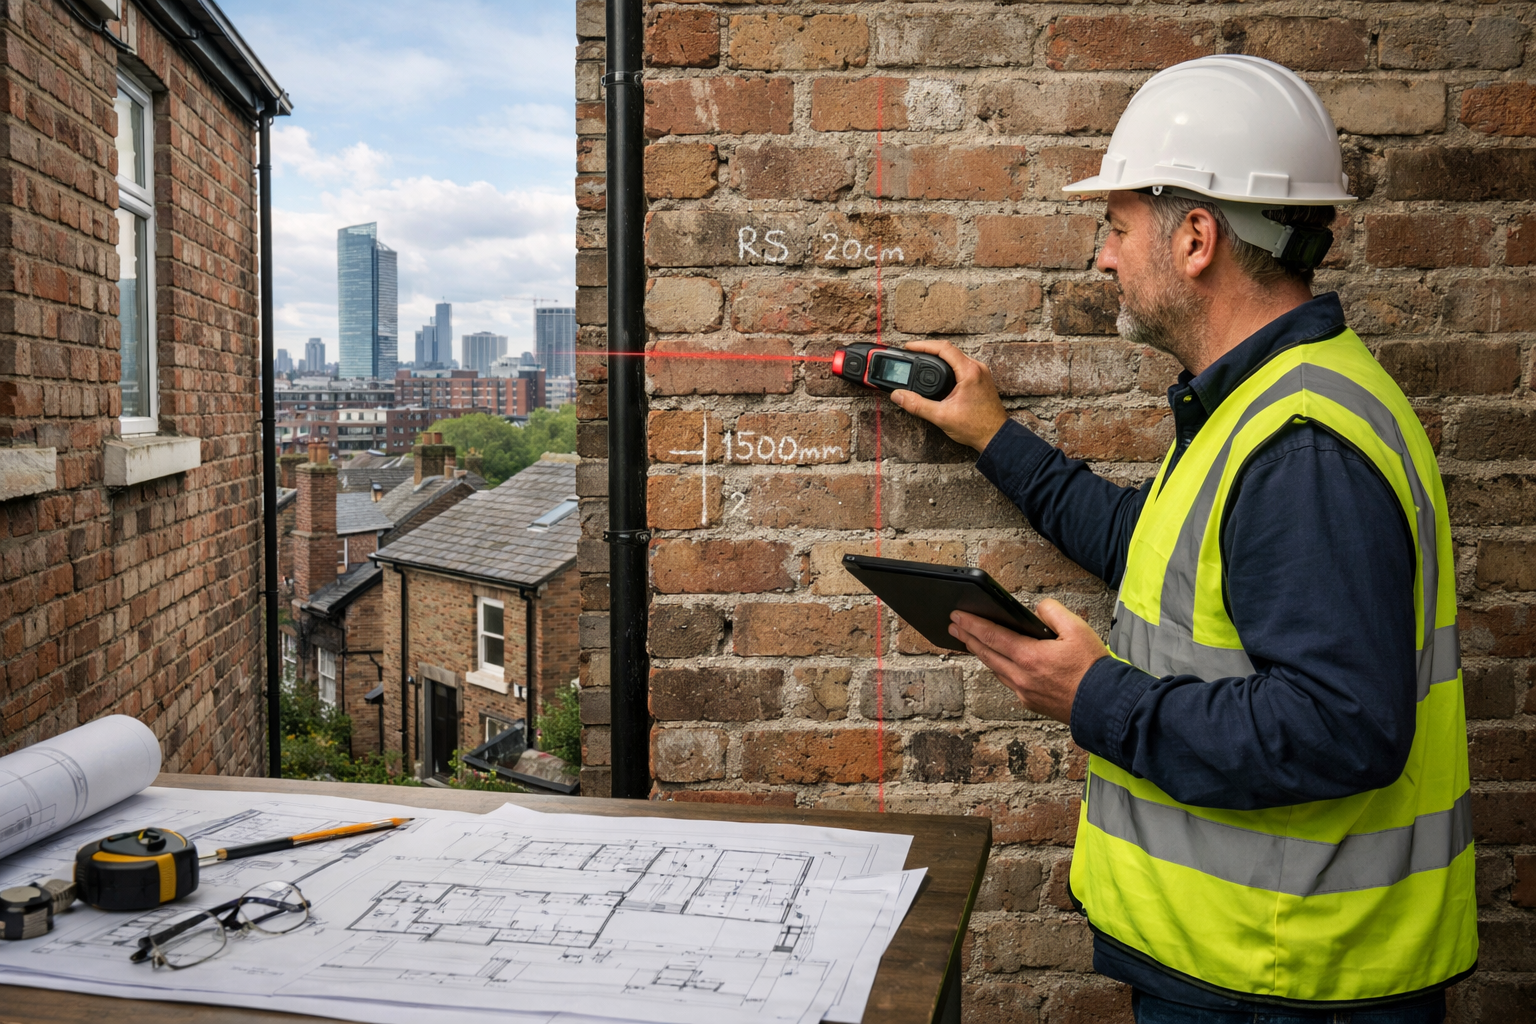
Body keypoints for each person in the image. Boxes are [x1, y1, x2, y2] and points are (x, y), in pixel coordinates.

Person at [890, 55, 1474, 1024]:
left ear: (1196, 237)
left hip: (1290, 981)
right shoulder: (1261, 403)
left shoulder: (1302, 445)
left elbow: (1343, 726)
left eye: (1117, 227)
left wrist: (1096, 697)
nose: (1104, 256)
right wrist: (994, 436)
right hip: (1251, 969)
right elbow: (1150, 542)